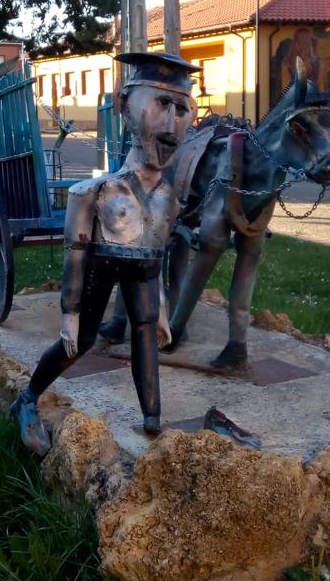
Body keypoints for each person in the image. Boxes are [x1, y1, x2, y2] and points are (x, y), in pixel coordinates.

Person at [11, 51, 200, 454]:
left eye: (182, 108)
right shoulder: (95, 193)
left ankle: (152, 420)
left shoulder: (169, 199)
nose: (171, 123)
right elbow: (75, 254)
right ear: (125, 106)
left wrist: (162, 308)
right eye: (161, 104)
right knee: (77, 342)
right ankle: (26, 397)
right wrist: (69, 313)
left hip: (143, 275)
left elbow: (157, 256)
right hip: (98, 268)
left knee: (147, 332)